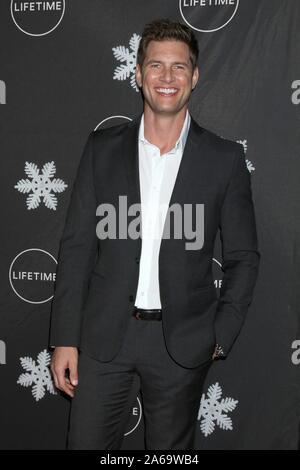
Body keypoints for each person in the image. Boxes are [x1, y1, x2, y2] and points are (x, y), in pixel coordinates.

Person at [49, 18, 260, 450]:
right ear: (139, 73)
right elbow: (76, 249)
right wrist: (65, 338)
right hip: (104, 338)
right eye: (156, 66)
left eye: (179, 67)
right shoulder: (101, 148)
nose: (167, 77)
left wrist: (221, 332)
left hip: (182, 345)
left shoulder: (224, 160)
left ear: (195, 76)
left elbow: (243, 256)